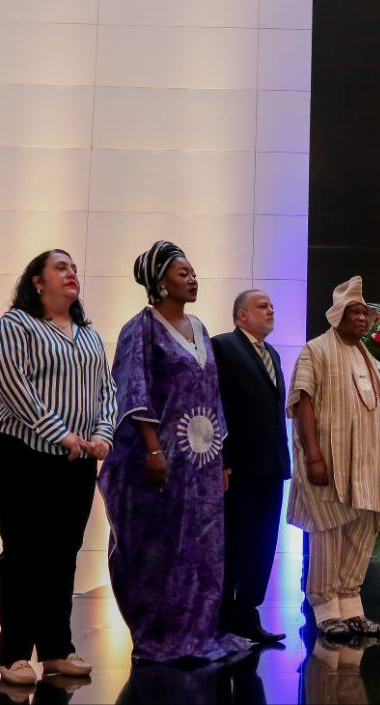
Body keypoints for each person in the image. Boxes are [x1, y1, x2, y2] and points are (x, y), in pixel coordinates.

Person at [100, 241, 251, 662]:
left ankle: (200, 631)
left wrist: (220, 455)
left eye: (192, 272)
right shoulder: (141, 327)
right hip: (162, 460)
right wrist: (152, 450)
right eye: (183, 273)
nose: (192, 279)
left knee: (204, 546)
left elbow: (212, 393)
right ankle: (162, 634)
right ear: (160, 282)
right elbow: (133, 389)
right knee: (164, 547)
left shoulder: (200, 329)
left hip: (201, 462)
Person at [0, 250, 117, 686]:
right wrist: (61, 434)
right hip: (21, 452)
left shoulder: (89, 336)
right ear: (38, 282)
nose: (71, 274)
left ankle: (57, 650)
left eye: (75, 269)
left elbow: (107, 392)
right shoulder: (16, 325)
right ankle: (14, 655)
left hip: (77, 457)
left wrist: (102, 434)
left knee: (63, 554)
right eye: (60, 268)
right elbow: (14, 386)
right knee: (24, 553)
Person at [288, 276, 380, 638]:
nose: (362, 319)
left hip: (367, 468)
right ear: (338, 314)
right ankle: (326, 609)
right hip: (329, 462)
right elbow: (302, 401)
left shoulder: (365, 355)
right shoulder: (316, 349)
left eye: (365, 313)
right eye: (354, 312)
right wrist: (313, 456)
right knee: (329, 530)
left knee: (360, 531)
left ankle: (351, 606)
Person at [211, 289, 290, 644]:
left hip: (271, 467)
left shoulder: (272, 353)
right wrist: (222, 460)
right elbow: (216, 405)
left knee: (262, 543)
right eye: (262, 306)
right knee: (235, 542)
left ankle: (247, 614)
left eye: (272, 305)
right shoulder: (223, 347)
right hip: (239, 468)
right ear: (242, 315)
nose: (271, 309)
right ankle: (223, 617)